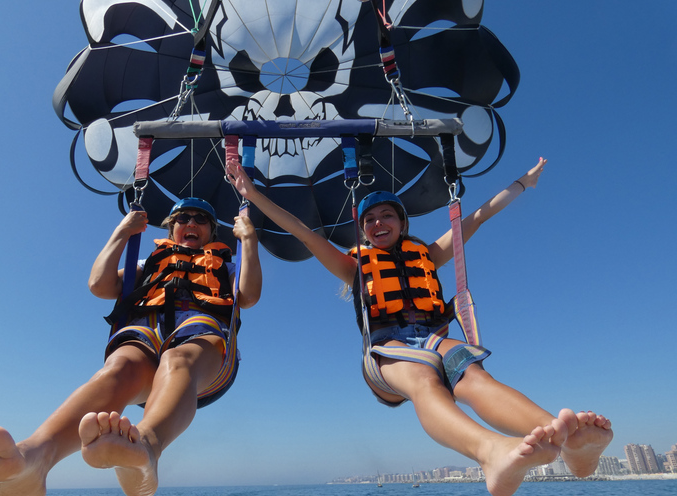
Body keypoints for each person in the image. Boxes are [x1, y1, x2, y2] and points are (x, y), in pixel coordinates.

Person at [226, 157, 612, 496]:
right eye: (370, 220)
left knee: (474, 376)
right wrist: (251, 193)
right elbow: (300, 230)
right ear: (364, 231)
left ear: (402, 223)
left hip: (432, 338)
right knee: (426, 380)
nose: (379, 222)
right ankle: (490, 452)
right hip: (386, 353)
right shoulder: (355, 265)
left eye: (387, 215)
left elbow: (476, 217)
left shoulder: (425, 255)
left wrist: (523, 184)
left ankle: (571, 443)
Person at [0, 198, 262, 496]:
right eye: (182, 218)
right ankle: (32, 462)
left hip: (202, 344)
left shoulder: (227, 268)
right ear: (171, 229)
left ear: (212, 231)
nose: (190, 222)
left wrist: (249, 239)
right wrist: (123, 231)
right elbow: (99, 285)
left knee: (177, 359)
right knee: (119, 368)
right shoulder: (149, 264)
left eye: (200, 219)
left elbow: (247, 296)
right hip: (146, 335)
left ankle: (146, 447)